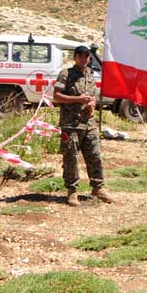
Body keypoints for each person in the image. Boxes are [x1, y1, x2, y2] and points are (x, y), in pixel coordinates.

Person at [53, 45, 112, 207]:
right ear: (75, 57)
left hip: (89, 123)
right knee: (71, 157)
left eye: (87, 57)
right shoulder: (66, 74)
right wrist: (77, 99)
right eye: (81, 56)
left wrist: (93, 103)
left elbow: (93, 95)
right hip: (71, 123)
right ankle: (72, 191)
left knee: (95, 155)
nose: (84, 60)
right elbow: (56, 96)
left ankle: (98, 187)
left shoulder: (90, 75)